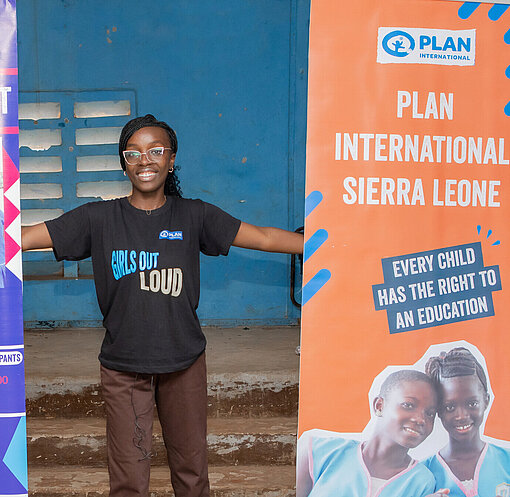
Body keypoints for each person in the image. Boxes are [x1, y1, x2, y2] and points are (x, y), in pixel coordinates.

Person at [21, 114, 303, 497]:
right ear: (124, 163)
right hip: (124, 369)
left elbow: (266, 238)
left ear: (171, 159)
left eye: (156, 151)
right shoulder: (98, 218)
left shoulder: (195, 215)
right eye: (133, 153)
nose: (145, 160)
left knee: (191, 474)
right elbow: (21, 238)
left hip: (183, 363)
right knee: (128, 480)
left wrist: (327, 246)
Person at [297, 369, 448, 497]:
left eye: (430, 413)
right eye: (408, 405)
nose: (420, 419)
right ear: (379, 406)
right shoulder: (318, 451)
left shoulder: (421, 481)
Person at [424, 347, 510, 497]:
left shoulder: (507, 460)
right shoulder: (423, 473)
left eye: (472, 404)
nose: (462, 415)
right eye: (450, 407)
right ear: (438, 410)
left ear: (486, 401)